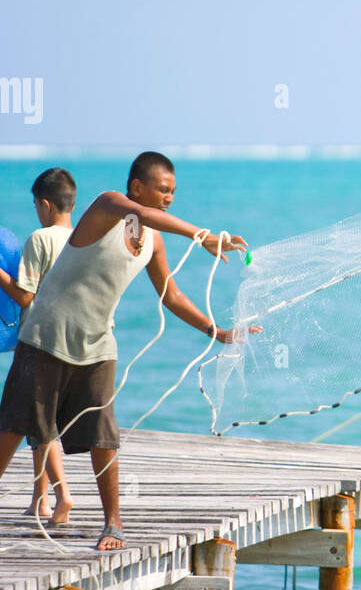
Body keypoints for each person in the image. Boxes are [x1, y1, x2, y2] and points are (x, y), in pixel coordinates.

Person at [0, 151, 257, 550]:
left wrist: (216, 331)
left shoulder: (153, 241)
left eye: (173, 191)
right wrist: (201, 234)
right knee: (13, 428)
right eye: (162, 189)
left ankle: (113, 525)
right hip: (45, 338)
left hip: (98, 345)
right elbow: (148, 217)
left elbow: (170, 296)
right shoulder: (107, 206)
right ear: (137, 187)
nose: (169, 197)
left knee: (104, 436)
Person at [0, 167, 77, 519]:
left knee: (39, 424)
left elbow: (25, 296)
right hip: (70, 343)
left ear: (45, 205)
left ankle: (62, 495)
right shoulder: (80, 240)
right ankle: (40, 500)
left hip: (37, 343)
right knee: (41, 423)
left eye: (35, 205)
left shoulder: (40, 239)